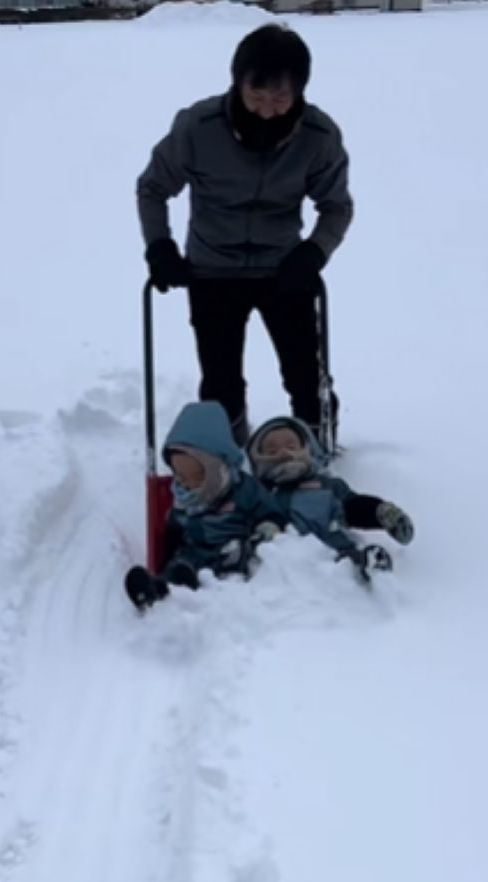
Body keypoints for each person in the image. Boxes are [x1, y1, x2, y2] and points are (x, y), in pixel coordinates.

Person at [136, 23, 353, 448]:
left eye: (280, 97)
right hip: (213, 270)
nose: (266, 110)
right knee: (220, 381)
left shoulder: (318, 136)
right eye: (257, 94)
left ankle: (314, 446)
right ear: (237, 82)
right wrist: (159, 246)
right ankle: (229, 454)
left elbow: (337, 206)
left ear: (299, 91)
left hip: (283, 269)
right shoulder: (198, 127)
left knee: (304, 374)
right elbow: (153, 187)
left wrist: (314, 252)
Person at [124, 401, 286, 610]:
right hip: (194, 554)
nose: (183, 484)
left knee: (233, 561)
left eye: (192, 476)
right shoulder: (181, 497)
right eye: (178, 475)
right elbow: (174, 528)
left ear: (216, 469)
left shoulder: (243, 488)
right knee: (179, 567)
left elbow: (268, 511)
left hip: (232, 552)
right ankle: (156, 592)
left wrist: (266, 529)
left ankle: (200, 590)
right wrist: (171, 534)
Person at [246, 416, 414, 579]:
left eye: (291, 447)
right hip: (285, 562)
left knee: (352, 560)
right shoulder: (259, 493)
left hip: (334, 552)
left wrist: (379, 512)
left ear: (306, 450)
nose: (284, 453)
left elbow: (353, 506)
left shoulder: (327, 486)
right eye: (272, 451)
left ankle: (370, 569)